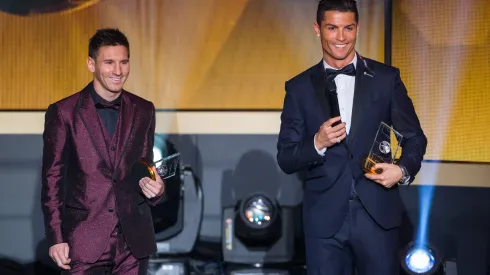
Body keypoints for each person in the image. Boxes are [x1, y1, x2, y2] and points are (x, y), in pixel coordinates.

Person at [276, 0, 427, 274]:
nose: (341, 37)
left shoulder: (385, 78)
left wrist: (402, 170)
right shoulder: (298, 88)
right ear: (317, 29)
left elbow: (415, 137)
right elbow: (286, 158)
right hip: (324, 222)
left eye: (348, 28)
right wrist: (317, 143)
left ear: (357, 28)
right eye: (332, 28)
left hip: (377, 216)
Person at [41, 28, 165, 275]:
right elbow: (52, 179)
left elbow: (144, 167)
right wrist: (56, 236)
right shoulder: (64, 112)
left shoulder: (144, 110)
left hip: (132, 243)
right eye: (109, 62)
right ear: (91, 63)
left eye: (123, 62)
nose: (118, 71)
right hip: (83, 242)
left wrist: (157, 190)